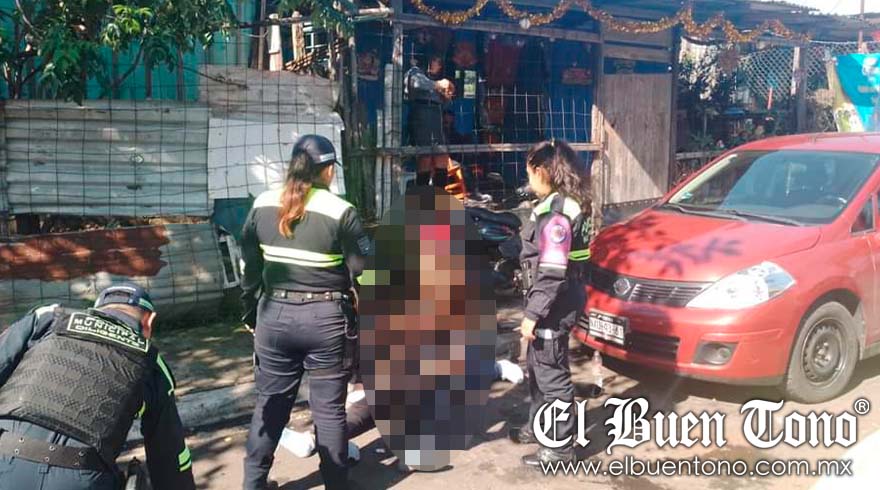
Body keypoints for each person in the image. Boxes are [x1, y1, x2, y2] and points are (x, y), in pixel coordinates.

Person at [240, 134, 369, 490]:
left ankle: (252, 484)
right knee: (328, 411)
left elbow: (249, 269)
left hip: (274, 316)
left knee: (270, 405)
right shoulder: (341, 211)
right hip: (326, 321)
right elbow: (366, 272)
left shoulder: (262, 203)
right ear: (327, 170)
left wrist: (249, 312)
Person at [0, 283, 195, 490]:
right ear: (149, 321)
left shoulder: (47, 319)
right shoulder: (151, 363)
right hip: (81, 478)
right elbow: (170, 458)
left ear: (96, 311)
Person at [509, 139, 592, 467]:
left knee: (551, 374)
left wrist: (532, 314)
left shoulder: (557, 213)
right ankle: (539, 426)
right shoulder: (554, 204)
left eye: (530, 172)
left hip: (554, 303)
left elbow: (552, 272)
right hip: (553, 299)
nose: (528, 179)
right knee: (538, 367)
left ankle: (559, 448)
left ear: (543, 171)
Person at [405, 50, 456, 189]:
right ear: (428, 60)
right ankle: (423, 195)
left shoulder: (437, 79)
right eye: (435, 61)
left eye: (439, 63)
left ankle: (439, 195)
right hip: (421, 113)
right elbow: (416, 84)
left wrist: (446, 95)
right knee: (425, 156)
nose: (437, 65)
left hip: (436, 115)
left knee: (441, 155)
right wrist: (438, 85)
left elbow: (446, 102)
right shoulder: (416, 72)